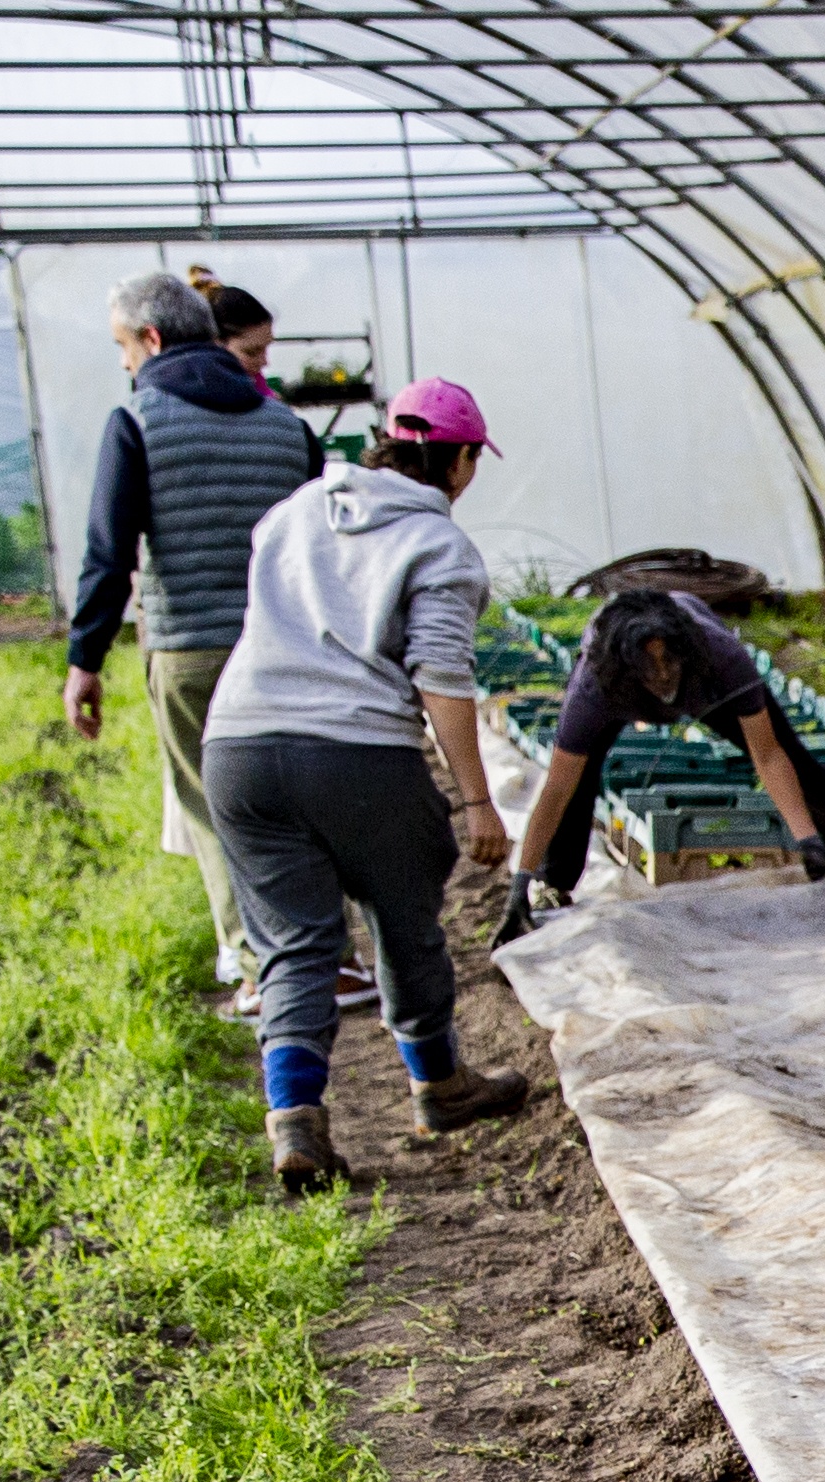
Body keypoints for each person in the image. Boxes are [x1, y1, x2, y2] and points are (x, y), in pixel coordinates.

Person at [201, 379, 535, 1193]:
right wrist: (476, 799)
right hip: (355, 753)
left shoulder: (293, 512)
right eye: (471, 463)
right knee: (404, 912)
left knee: (294, 944)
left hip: (239, 746)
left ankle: (296, 1122)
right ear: (457, 462)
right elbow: (442, 677)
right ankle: (439, 1084)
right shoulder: (439, 546)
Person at [56, 271, 321, 993]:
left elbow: (109, 558)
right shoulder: (288, 429)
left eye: (121, 345)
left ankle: (263, 968)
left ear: (150, 338)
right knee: (293, 804)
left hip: (190, 655)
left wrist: (85, 661)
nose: (121, 363)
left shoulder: (137, 423)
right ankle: (321, 951)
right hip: (285, 650)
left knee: (215, 812)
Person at [502, 588, 825, 922]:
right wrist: (520, 881)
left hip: (706, 690)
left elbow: (768, 755)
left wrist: (807, 838)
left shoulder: (723, 659)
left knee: (797, 761)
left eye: (670, 661)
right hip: (623, 695)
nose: (663, 675)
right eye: (651, 667)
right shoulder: (596, 687)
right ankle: (552, 882)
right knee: (578, 782)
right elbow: (556, 786)